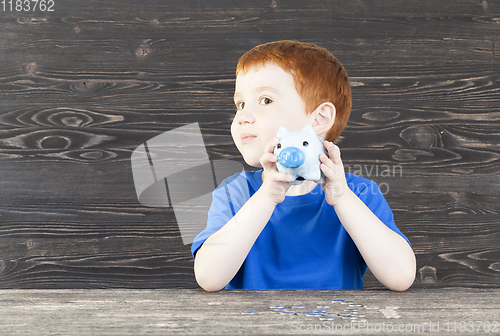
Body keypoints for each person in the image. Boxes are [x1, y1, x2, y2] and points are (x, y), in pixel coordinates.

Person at [191, 40, 416, 291]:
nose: (242, 116)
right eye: (240, 104)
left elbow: (401, 276)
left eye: (265, 100)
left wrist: (342, 199)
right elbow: (209, 278)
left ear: (320, 119)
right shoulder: (235, 193)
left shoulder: (360, 194)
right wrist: (266, 197)